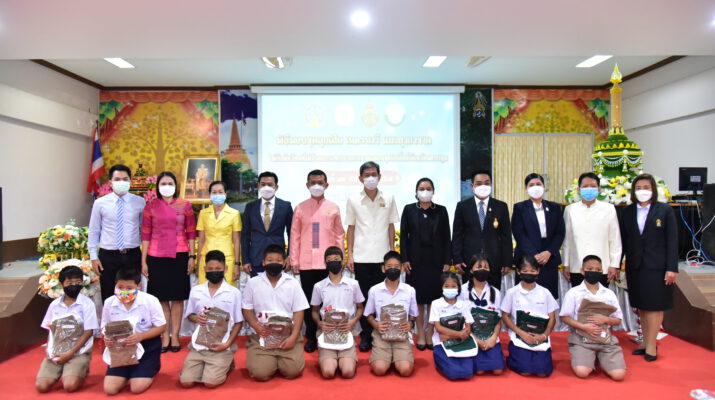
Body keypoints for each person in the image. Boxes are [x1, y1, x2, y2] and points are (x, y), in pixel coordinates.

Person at [620, 173, 678, 362]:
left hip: (657, 266)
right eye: (638, 188)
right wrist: (618, 265)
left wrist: (672, 268)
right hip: (635, 266)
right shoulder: (627, 211)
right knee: (642, 306)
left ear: (653, 189)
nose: (642, 191)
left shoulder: (664, 210)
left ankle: (652, 345)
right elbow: (623, 240)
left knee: (655, 306)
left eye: (646, 187)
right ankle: (645, 341)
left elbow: (672, 240)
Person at [346, 161, 400, 352]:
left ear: (380, 176)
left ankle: (382, 332)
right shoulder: (353, 199)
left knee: (381, 298)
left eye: (374, 174)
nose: (371, 178)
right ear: (360, 178)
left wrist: (393, 253)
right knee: (364, 299)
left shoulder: (389, 197)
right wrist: (350, 255)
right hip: (361, 258)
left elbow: (391, 226)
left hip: (382, 259)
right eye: (367, 175)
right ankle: (366, 335)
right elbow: (351, 228)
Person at [141, 171, 196, 352]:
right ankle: (165, 336)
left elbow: (191, 233)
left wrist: (192, 256)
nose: (167, 186)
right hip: (156, 256)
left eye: (170, 183)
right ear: (157, 187)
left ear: (176, 185)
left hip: (180, 254)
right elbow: (146, 235)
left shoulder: (185, 205)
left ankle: (175, 336)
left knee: (178, 298)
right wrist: (144, 261)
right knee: (162, 299)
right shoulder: (150, 206)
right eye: (163, 183)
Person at [290, 169, 345, 353]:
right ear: (307, 185)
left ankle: (329, 333)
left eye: (320, 183)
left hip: (327, 263)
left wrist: (340, 259)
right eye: (313, 182)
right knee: (309, 303)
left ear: (326, 185)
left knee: (327, 302)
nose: (316, 186)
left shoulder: (333, 207)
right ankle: (311, 336)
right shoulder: (300, 208)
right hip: (306, 263)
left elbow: (339, 235)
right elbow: (295, 235)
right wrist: (294, 259)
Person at [241, 244, 309, 381]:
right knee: (260, 373)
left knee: (293, 371)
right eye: (270, 260)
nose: (274, 263)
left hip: (287, 336)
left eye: (278, 260)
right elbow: (246, 308)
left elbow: (299, 311)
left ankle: (282, 357)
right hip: (263, 335)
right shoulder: (253, 283)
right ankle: (265, 358)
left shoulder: (293, 283)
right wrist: (255, 325)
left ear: (284, 263)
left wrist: (293, 336)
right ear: (263, 262)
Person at [400, 177, 451, 350]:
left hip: (436, 260)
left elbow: (447, 237)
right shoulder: (409, 209)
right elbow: (404, 237)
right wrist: (404, 259)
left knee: (433, 300)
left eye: (428, 188)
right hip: (415, 261)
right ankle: (420, 332)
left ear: (433, 191)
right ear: (416, 192)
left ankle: (430, 332)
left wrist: (447, 260)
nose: (425, 191)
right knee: (418, 300)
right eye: (421, 189)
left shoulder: (441, 210)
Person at [180, 250, 243, 388]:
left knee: (210, 383)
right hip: (199, 345)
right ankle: (207, 364)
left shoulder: (234, 293)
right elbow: (189, 315)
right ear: (204, 269)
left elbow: (239, 322)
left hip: (222, 345)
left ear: (225, 269)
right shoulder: (196, 291)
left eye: (218, 269)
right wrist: (196, 318)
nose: (214, 271)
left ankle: (227, 360)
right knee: (186, 382)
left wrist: (227, 344)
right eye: (210, 269)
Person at [560, 255, 627, 380]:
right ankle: (588, 356)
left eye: (598, 270)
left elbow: (618, 319)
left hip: (605, 340)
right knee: (582, 372)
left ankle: (600, 357)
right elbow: (564, 317)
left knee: (619, 375)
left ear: (602, 271)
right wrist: (583, 327)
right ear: (582, 271)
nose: (594, 272)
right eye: (590, 269)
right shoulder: (573, 293)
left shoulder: (609, 293)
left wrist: (606, 320)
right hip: (581, 339)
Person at [103, 268, 166, 395]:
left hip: (147, 346)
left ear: (139, 286)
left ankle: (153, 365)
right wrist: (107, 338)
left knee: (136, 388)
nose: (124, 291)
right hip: (120, 348)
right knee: (110, 389)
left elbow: (161, 327)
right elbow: (105, 327)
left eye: (129, 288)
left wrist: (141, 336)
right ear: (115, 284)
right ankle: (127, 370)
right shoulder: (109, 302)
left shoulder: (150, 300)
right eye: (120, 287)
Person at [36, 266, 98, 393]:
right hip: (58, 351)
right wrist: (51, 350)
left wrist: (70, 353)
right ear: (61, 284)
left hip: (78, 351)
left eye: (77, 282)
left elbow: (89, 332)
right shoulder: (54, 305)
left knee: (70, 386)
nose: (74, 285)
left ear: (82, 282)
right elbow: (49, 328)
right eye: (69, 283)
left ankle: (80, 369)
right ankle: (61, 369)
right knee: (41, 386)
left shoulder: (87, 304)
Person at [88, 164, 145, 301]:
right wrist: (93, 256)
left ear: (130, 181)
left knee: (132, 295)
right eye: (117, 179)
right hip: (108, 256)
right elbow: (94, 230)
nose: (121, 182)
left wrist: (145, 257)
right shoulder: (100, 203)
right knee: (109, 295)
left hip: (132, 255)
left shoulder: (140, 202)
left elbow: (144, 230)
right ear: (110, 182)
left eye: (125, 179)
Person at [452, 170, 512, 290]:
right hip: (469, 261)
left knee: (493, 294)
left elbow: (506, 236)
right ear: (472, 186)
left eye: (486, 183)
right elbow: (457, 235)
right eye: (479, 183)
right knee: (469, 294)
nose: (483, 186)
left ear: (491, 185)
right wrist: (457, 259)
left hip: (494, 261)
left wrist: (507, 261)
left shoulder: (501, 206)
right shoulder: (462, 206)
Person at [310, 246, 364, 379]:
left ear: (342, 261)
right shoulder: (319, 286)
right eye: (329, 260)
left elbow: (360, 308)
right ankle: (328, 356)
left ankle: (346, 356)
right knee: (328, 372)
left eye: (336, 259)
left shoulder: (353, 284)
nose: (333, 262)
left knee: (348, 372)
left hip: (347, 330)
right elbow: (314, 311)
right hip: (327, 331)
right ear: (325, 263)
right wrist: (319, 323)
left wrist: (353, 321)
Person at [501, 255, 558, 377]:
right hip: (519, 336)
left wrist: (544, 335)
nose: (529, 274)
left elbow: (552, 317)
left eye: (532, 271)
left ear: (538, 271)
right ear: (518, 271)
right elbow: (505, 316)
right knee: (525, 371)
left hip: (540, 337)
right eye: (525, 271)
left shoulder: (545, 292)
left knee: (543, 372)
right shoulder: (512, 293)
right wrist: (521, 333)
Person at [364, 251, 418, 377]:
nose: (393, 269)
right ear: (383, 268)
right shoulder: (374, 290)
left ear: (402, 268)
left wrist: (410, 323)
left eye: (396, 267)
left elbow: (413, 314)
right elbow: (368, 315)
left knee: (405, 370)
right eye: (389, 266)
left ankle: (397, 358)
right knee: (379, 369)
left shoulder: (409, 290)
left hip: (401, 334)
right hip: (381, 334)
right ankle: (386, 357)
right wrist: (376, 325)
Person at [562, 172, 622, 287]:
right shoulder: (570, 210)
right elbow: (567, 240)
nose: (589, 189)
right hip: (577, 266)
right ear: (578, 190)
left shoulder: (609, 209)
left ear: (599, 189)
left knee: (600, 297)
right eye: (585, 186)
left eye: (593, 186)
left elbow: (615, 239)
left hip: (602, 267)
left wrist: (614, 264)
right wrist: (566, 264)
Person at [511, 173, 565, 299]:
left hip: (549, 259)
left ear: (544, 186)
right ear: (526, 188)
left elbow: (560, 232)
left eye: (538, 184)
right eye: (531, 185)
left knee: (548, 298)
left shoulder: (554, 207)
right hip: (527, 259)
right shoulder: (519, 207)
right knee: (525, 298)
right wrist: (534, 255)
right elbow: (519, 233)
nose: (535, 187)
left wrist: (549, 252)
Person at [240, 171, 293, 276]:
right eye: (263, 184)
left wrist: (289, 256)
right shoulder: (250, 207)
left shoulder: (286, 206)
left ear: (276, 187)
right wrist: (245, 260)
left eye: (270, 184)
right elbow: (245, 235)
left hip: (278, 259)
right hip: (256, 259)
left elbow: (291, 233)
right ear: (258, 186)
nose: (266, 187)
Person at [459, 253, 504, 375]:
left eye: (486, 267)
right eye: (479, 267)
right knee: (479, 371)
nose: (482, 270)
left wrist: (493, 337)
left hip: (489, 336)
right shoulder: (462, 291)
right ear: (471, 270)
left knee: (498, 370)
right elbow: (460, 319)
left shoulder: (495, 292)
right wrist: (476, 339)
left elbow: (498, 319)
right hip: (470, 335)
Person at [429, 272, 475, 380]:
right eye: (446, 286)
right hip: (441, 343)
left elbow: (468, 327)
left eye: (453, 286)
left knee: (468, 372)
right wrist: (458, 334)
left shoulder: (463, 304)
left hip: (461, 342)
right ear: (441, 287)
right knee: (453, 373)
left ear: (458, 288)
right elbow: (438, 328)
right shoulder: (436, 304)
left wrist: (449, 336)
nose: (450, 289)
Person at [196, 181, 242, 286]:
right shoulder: (203, 213)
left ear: (226, 194)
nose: (217, 195)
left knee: (227, 290)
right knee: (205, 290)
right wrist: (198, 263)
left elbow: (236, 240)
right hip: (207, 258)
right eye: (214, 192)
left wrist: (237, 264)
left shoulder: (234, 214)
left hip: (227, 258)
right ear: (209, 194)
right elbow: (201, 240)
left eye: (220, 192)